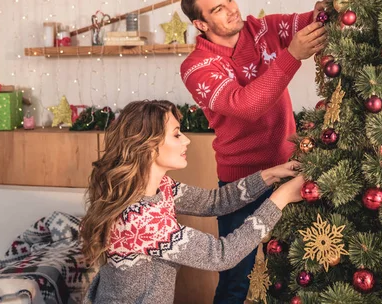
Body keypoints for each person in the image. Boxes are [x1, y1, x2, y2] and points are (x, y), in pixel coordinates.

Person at [180, 0, 327, 303]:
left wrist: (324, 12)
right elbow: (246, 106)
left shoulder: (263, 29)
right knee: (236, 281)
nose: (233, 10)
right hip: (241, 186)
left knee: (289, 276)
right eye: (219, 9)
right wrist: (292, 56)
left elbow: (312, 22)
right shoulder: (196, 67)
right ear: (201, 24)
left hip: (290, 170)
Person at [80, 100, 305, 303]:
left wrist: (271, 175)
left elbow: (213, 201)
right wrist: (280, 198)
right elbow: (221, 255)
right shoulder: (142, 219)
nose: (186, 140)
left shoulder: (160, 187)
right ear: (148, 147)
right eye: (177, 134)